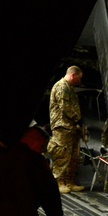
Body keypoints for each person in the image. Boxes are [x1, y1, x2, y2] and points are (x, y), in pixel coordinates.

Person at [48, 65, 85, 194]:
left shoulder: (70, 88)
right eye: (78, 79)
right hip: (62, 126)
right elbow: (66, 107)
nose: (79, 82)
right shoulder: (61, 87)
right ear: (73, 75)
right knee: (62, 155)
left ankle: (69, 182)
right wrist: (77, 118)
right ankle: (58, 182)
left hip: (71, 127)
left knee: (73, 156)